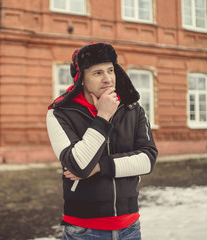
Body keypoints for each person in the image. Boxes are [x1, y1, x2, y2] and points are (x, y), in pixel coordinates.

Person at [46, 42, 158, 240]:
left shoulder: (133, 109)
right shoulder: (60, 113)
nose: (107, 79)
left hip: (130, 227)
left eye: (110, 70)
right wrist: (103, 117)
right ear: (81, 79)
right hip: (84, 230)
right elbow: (79, 165)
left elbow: (147, 160)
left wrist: (99, 166)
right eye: (97, 73)